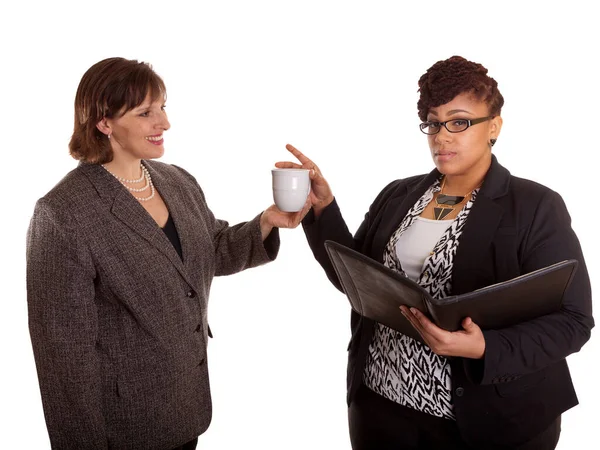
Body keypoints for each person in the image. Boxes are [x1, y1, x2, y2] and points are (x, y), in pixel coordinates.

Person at [277, 56, 594, 449]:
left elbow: (573, 321)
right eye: (433, 122)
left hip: (488, 422)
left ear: (494, 125)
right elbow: (359, 282)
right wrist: (323, 209)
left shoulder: (534, 206)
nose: (442, 136)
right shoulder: (399, 194)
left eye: (459, 121)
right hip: (381, 409)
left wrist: (484, 348)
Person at [26, 57, 309, 450]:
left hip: (185, 409)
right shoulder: (63, 212)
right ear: (104, 123)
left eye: (163, 107)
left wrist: (267, 221)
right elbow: (65, 357)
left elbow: (210, 252)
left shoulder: (177, 181)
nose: (164, 123)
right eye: (146, 113)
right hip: (123, 429)